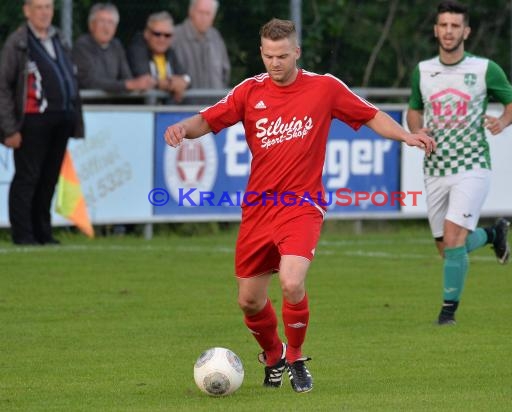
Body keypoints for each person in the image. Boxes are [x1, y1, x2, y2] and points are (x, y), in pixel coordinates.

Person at [164, 18, 436, 393]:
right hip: (258, 208)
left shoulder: (324, 88)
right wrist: (182, 128)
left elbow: (370, 114)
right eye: (268, 56)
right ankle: (273, 355)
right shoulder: (249, 91)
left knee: (292, 282)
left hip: (301, 205)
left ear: (297, 53)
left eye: (282, 56)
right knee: (249, 300)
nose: (275, 63)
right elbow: (208, 120)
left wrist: (406, 135)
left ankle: (296, 357)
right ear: (261, 52)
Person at [406, 0, 512, 325]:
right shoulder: (423, 70)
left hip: (472, 165)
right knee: (447, 249)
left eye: (455, 26)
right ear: (436, 30)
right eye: (443, 25)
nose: (448, 31)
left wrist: (502, 121)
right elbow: (414, 108)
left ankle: (447, 314)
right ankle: (492, 235)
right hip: (435, 167)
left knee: (454, 236)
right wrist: (416, 130)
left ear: (466, 31)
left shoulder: (484, 69)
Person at [0, 0, 84, 245]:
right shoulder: (17, 43)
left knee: (49, 178)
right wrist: (9, 128)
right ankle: (23, 234)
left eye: (48, 7)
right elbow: (3, 87)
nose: (44, 12)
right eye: (39, 7)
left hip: (61, 119)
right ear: (27, 10)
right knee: (28, 178)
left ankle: (42, 231)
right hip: (32, 121)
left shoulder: (59, 39)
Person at [72, 2, 155, 94]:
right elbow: (88, 81)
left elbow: (126, 77)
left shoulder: (116, 46)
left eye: (111, 22)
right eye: (102, 21)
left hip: (114, 104)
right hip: (90, 104)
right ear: (91, 25)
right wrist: (127, 85)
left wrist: (139, 84)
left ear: (115, 27)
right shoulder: (82, 46)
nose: (106, 27)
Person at [127, 11, 191, 104]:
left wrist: (184, 82)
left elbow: (187, 76)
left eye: (167, 35)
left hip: (165, 113)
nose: (162, 39)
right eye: (157, 34)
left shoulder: (170, 52)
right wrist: (171, 84)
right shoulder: (137, 50)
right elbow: (144, 78)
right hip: (141, 114)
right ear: (147, 34)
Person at [172, 0, 230, 100]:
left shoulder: (216, 37)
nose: (203, 18)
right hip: (183, 109)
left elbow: (225, 73)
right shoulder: (174, 37)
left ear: (213, 16)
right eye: (200, 12)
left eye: (208, 13)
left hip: (214, 108)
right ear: (191, 12)